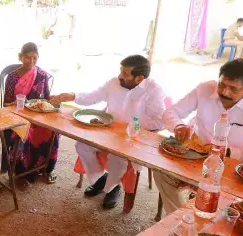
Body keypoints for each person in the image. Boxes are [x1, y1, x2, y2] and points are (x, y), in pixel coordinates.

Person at [51, 55, 166, 210]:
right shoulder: (114, 83)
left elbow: (160, 121)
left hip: (132, 138)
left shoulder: (154, 91)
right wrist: (73, 96)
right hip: (106, 130)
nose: (120, 76)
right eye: (120, 71)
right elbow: (93, 96)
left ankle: (112, 188)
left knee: (117, 159)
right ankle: (101, 180)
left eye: (125, 73)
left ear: (139, 78)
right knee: (82, 146)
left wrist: (132, 125)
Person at [154, 58, 243, 215]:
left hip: (230, 168)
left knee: (225, 208)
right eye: (222, 85)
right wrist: (178, 126)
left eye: (233, 89)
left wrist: (225, 151)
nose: (225, 92)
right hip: (194, 157)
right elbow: (171, 112)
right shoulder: (205, 89)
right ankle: (180, 218)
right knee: (161, 171)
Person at [3, 42, 59, 183]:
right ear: (20, 57)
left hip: (39, 115)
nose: (31, 61)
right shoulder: (12, 77)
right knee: (23, 134)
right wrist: (14, 103)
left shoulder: (41, 74)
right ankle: (21, 173)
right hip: (18, 115)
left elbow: (46, 98)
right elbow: (5, 104)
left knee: (54, 131)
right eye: (27, 57)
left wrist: (52, 102)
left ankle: (46, 169)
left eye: (35, 58)